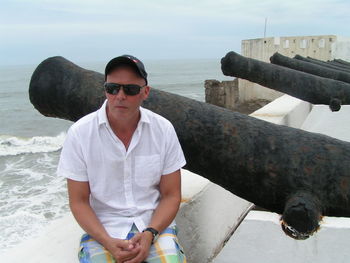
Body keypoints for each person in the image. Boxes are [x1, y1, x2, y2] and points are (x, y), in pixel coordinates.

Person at [57, 55, 187, 263]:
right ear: (105, 90)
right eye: (113, 88)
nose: (120, 96)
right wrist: (107, 241)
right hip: (104, 229)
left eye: (131, 89)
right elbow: (78, 201)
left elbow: (171, 195)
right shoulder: (80, 134)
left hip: (153, 225)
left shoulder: (162, 130)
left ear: (145, 92)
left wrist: (150, 233)